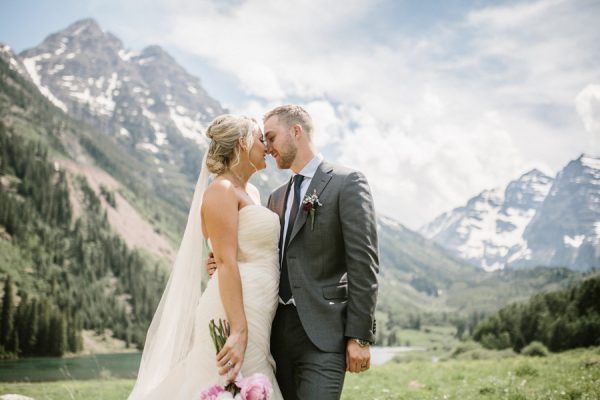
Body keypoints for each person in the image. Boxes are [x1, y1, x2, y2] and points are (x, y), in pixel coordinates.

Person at [208, 105, 379, 399]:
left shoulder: (346, 183)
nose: (267, 146)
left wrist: (360, 336)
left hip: (323, 337)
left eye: (271, 137)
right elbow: (263, 253)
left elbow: (363, 264)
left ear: (296, 131)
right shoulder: (275, 197)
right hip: (272, 336)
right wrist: (222, 262)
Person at [129, 115, 283, 399]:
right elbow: (225, 261)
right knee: (226, 381)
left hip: (259, 305)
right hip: (234, 310)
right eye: (261, 139)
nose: (267, 147)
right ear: (242, 142)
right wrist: (237, 329)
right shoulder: (220, 190)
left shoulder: (252, 192)